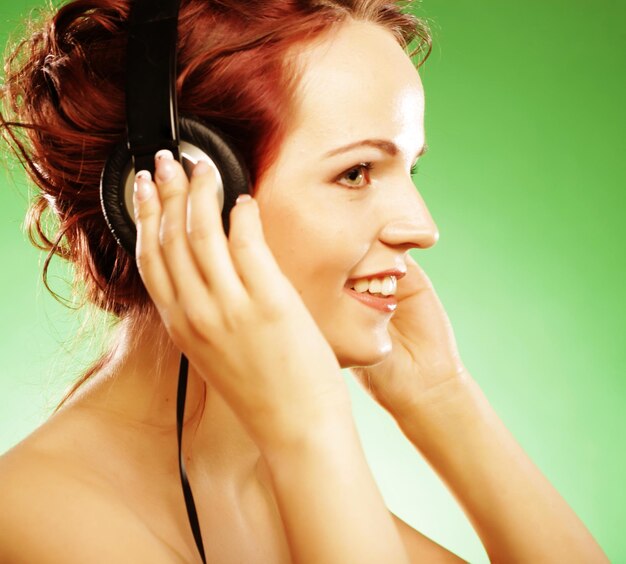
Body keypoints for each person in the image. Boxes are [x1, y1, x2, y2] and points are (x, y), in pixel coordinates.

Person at [0, 0, 609, 562]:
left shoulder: (299, 492)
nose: (422, 228)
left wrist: (442, 396)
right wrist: (308, 427)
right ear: (184, 192)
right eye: (357, 171)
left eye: (410, 167)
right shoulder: (33, 517)